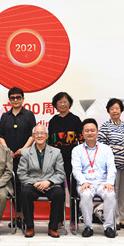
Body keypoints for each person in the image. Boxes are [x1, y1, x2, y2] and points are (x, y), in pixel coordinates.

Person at [0, 87, 36, 228]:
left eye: (18, 97)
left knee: (24, 187)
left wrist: (23, 149)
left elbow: (33, 135)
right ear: (9, 100)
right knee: (13, 186)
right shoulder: (5, 116)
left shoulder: (29, 115)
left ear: (23, 99)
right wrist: (7, 149)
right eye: (12, 98)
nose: (15, 100)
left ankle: (26, 217)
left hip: (25, 157)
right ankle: (17, 216)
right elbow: (0, 135)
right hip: (9, 157)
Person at [18, 125, 65, 238]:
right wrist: (35, 183)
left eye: (42, 133)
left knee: (59, 193)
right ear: (33, 136)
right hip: (33, 184)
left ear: (47, 136)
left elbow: (60, 174)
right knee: (25, 192)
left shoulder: (56, 152)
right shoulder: (26, 153)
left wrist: (48, 182)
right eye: (37, 133)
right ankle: (29, 226)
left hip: (50, 184)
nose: (40, 135)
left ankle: (53, 227)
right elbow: (21, 173)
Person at [72, 119, 117, 238]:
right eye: (87, 131)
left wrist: (109, 182)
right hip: (86, 182)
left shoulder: (106, 149)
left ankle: (109, 227)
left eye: (92, 130)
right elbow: (76, 170)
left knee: (110, 194)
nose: (90, 133)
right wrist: (83, 182)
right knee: (86, 194)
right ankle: (88, 226)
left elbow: (111, 167)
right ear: (82, 133)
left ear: (97, 132)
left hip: (103, 182)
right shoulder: (77, 150)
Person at [47, 91, 83, 232]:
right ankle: (59, 220)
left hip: (73, 160)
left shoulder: (75, 120)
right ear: (55, 105)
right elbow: (50, 143)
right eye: (60, 102)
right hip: (56, 161)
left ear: (69, 104)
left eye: (65, 101)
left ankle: (74, 219)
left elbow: (81, 141)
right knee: (58, 191)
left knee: (74, 191)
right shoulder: (53, 121)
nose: (63, 104)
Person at [97, 98, 124, 230]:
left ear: (121, 110)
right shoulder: (105, 126)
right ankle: (112, 220)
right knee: (113, 193)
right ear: (108, 111)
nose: (115, 111)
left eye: (117, 108)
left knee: (123, 193)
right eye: (112, 109)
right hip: (111, 167)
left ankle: (121, 219)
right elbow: (101, 148)